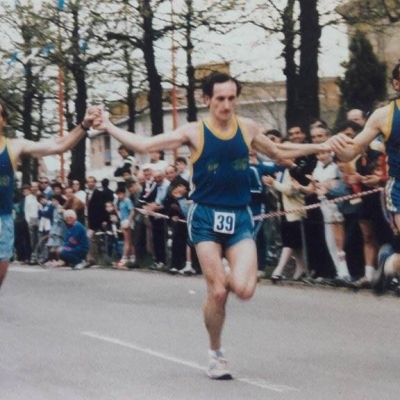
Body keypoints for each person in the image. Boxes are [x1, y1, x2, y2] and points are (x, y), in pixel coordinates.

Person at [93, 72, 350, 379]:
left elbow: (280, 153)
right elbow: (145, 143)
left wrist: (320, 147)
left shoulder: (248, 128)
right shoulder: (194, 133)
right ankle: (216, 353)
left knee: (244, 290)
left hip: (240, 217)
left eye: (231, 98)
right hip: (204, 216)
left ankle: (226, 275)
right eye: (220, 99)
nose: (226, 105)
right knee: (218, 292)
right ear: (207, 100)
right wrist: (108, 125)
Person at [0, 101, 99, 289]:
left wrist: (84, 125)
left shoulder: (14, 146)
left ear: (4, 120)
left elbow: (58, 145)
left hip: (2, 221)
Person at [329, 61, 400, 294]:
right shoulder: (384, 116)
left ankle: (390, 261)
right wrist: (336, 145)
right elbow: (353, 150)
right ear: (397, 84)